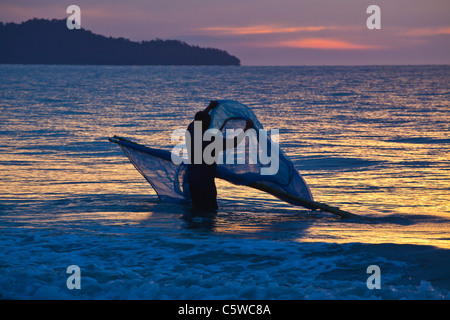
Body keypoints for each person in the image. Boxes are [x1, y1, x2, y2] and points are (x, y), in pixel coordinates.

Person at [186, 100, 253, 213]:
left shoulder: (191, 132)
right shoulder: (211, 141)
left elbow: (197, 121)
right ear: (207, 126)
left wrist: (209, 107)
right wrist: (246, 129)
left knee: (196, 211)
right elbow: (234, 143)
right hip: (205, 182)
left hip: (192, 180)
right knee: (210, 212)